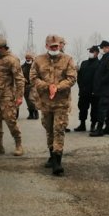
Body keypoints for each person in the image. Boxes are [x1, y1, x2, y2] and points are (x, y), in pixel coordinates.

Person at [30, 35, 77, 175]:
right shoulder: (39, 60)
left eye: (57, 46)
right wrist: (47, 86)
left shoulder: (67, 59)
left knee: (59, 129)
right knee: (49, 129)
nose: (55, 48)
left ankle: (57, 161)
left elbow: (72, 78)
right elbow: (33, 77)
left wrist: (57, 87)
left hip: (61, 103)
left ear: (60, 46)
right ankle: (52, 155)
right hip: (45, 103)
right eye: (52, 46)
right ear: (46, 46)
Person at [90, 40, 109, 137]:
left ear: (107, 48)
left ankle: (99, 129)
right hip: (103, 89)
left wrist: (101, 81)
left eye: (102, 48)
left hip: (106, 88)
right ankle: (108, 127)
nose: (101, 49)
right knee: (107, 108)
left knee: (102, 108)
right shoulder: (105, 57)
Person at [74, 46, 99, 131]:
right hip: (84, 91)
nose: (90, 53)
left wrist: (96, 89)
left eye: (92, 51)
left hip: (94, 92)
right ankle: (82, 124)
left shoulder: (99, 64)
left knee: (94, 109)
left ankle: (93, 125)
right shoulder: (84, 63)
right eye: (90, 51)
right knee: (82, 108)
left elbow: (99, 79)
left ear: (97, 53)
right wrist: (81, 87)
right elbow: (79, 76)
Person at [21, 52, 39, 119]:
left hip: (33, 85)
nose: (28, 59)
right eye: (27, 58)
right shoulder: (22, 67)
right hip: (25, 86)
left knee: (32, 99)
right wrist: (23, 78)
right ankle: (31, 114)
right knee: (27, 100)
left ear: (32, 58)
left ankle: (36, 112)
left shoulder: (35, 66)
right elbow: (19, 75)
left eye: (29, 58)